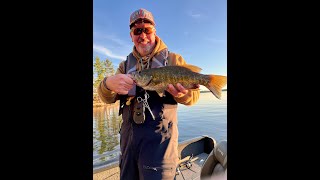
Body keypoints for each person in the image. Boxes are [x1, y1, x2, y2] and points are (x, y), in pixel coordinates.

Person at [97, 8, 200, 180]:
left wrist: (183, 95)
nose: (142, 35)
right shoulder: (124, 66)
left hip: (160, 147)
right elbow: (106, 97)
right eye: (137, 31)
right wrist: (107, 84)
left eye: (147, 30)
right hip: (128, 146)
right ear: (131, 36)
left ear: (154, 31)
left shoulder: (173, 59)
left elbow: (193, 97)